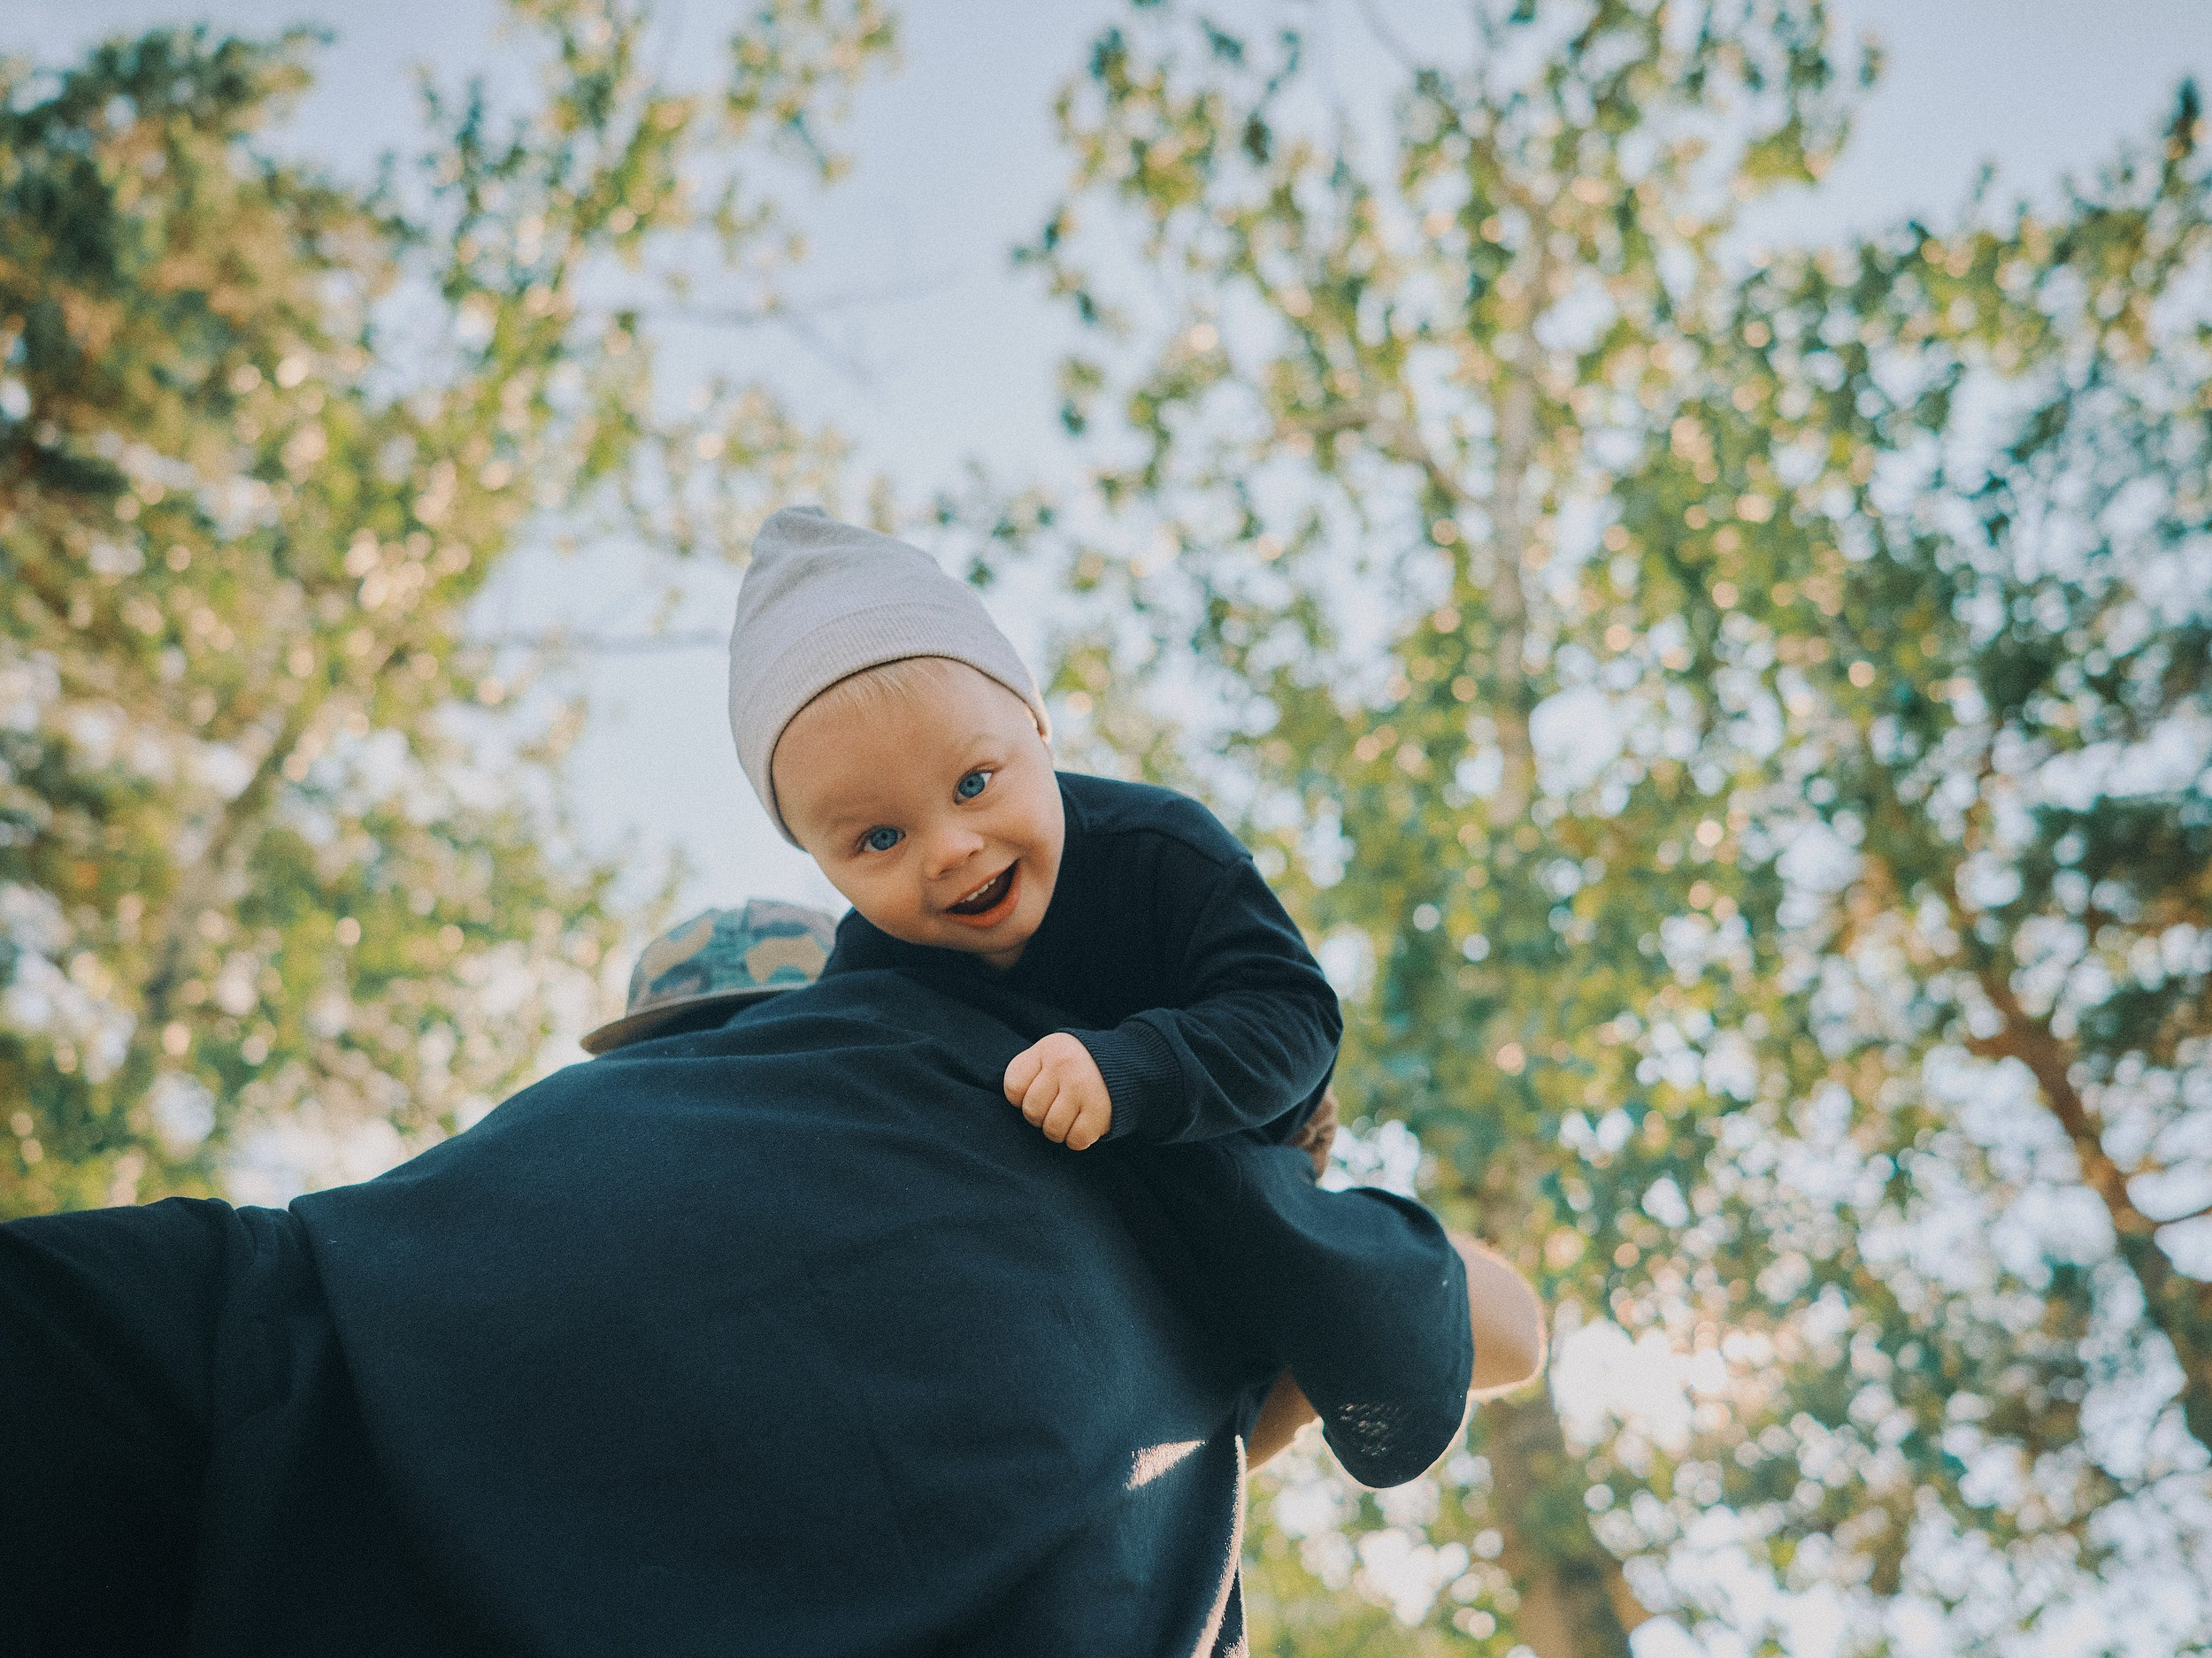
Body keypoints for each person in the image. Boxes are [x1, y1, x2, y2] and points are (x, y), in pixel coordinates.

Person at [4, 902, 1486, 1655]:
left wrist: (1258, 1363)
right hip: (256, 1370)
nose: (702, 1064)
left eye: (731, 1022)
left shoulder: (1075, 1106)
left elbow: (1485, 1308)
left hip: (255, 1381)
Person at [723, 505, 1522, 1485]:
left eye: (974, 781)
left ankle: (1325, 1352)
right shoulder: (868, 978)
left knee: (1340, 1304)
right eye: (877, 839)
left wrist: (1130, 1066)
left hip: (1231, 1138)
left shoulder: (1159, 850)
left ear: (1034, 724)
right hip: (1069, 1228)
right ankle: (1194, 1465)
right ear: (820, 860)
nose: (949, 847)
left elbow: (1293, 1012)